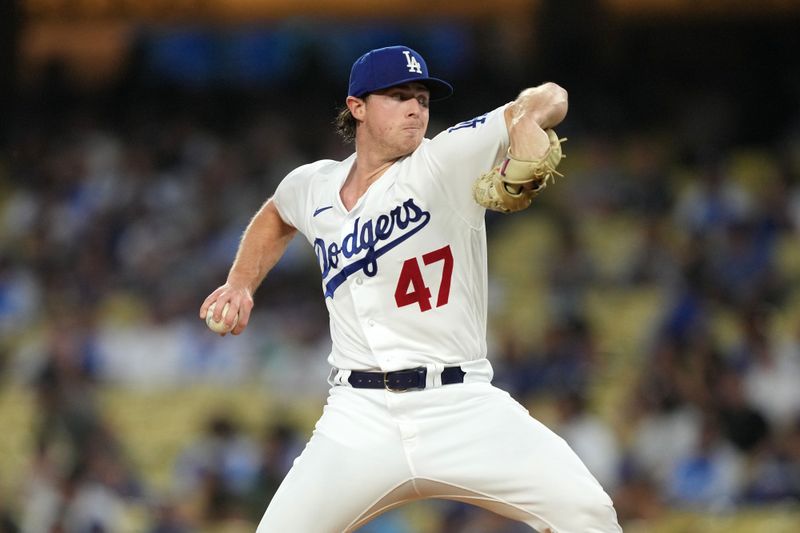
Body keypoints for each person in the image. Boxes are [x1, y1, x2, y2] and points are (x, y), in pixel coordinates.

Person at [200, 45, 621, 532]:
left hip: (460, 404)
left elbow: (552, 96)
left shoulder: (445, 159)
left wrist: (526, 121)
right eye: (399, 96)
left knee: (587, 512)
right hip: (358, 416)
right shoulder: (314, 185)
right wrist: (240, 282)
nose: (416, 108)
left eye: (422, 97)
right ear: (357, 107)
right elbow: (277, 212)